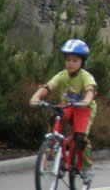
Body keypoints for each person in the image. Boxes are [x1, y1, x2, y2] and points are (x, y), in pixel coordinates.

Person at [30, 39, 97, 184]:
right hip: (67, 106)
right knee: (55, 117)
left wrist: (86, 100)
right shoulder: (62, 75)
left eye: (74, 60)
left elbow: (90, 90)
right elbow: (47, 87)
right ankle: (53, 147)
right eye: (67, 60)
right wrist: (36, 97)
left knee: (80, 138)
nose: (70, 63)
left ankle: (86, 167)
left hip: (84, 108)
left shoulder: (86, 76)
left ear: (82, 62)